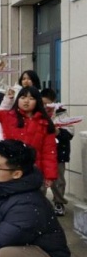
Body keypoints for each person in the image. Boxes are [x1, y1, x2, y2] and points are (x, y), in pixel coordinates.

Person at [0, 79, 57, 187]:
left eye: (31, 98)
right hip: (9, 170)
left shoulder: (44, 123)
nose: (26, 101)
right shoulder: (7, 116)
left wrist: (49, 176)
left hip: (33, 171)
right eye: (23, 97)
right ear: (17, 99)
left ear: (37, 101)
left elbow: (49, 152)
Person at [41, 88, 74, 216]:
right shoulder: (37, 114)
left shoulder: (62, 114)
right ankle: (40, 204)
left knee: (58, 180)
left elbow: (70, 134)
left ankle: (59, 202)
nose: (45, 107)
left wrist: (58, 132)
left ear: (54, 102)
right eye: (43, 103)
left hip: (58, 154)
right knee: (41, 180)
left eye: (48, 104)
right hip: (42, 153)